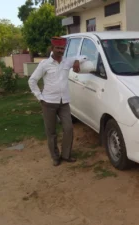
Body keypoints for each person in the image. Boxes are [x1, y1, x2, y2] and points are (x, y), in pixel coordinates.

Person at [28, 36, 88, 166]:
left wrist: (77, 60)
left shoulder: (67, 61)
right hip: (48, 102)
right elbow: (32, 80)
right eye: (58, 48)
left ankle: (66, 155)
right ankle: (55, 156)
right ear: (52, 48)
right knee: (51, 132)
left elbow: (84, 57)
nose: (61, 50)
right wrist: (40, 97)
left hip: (64, 102)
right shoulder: (44, 64)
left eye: (63, 48)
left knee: (69, 128)